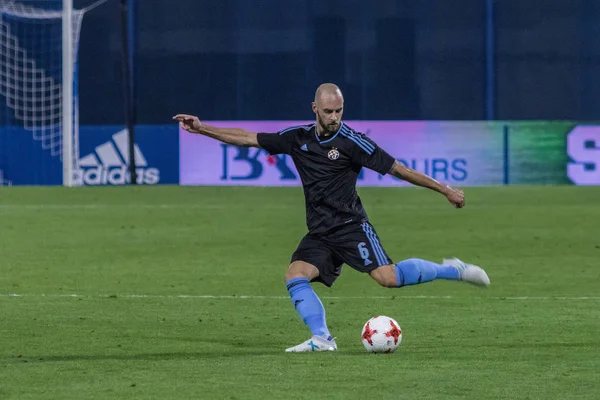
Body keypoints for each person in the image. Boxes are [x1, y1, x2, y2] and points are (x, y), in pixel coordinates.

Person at [173, 83, 490, 353]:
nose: (335, 117)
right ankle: (322, 339)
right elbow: (248, 138)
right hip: (320, 232)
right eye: (328, 111)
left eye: (339, 111)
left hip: (351, 227)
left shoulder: (353, 142)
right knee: (295, 275)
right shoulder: (297, 139)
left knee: (387, 278)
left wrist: (444, 189)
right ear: (315, 108)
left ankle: (453, 270)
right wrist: (201, 128)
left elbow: (400, 169)